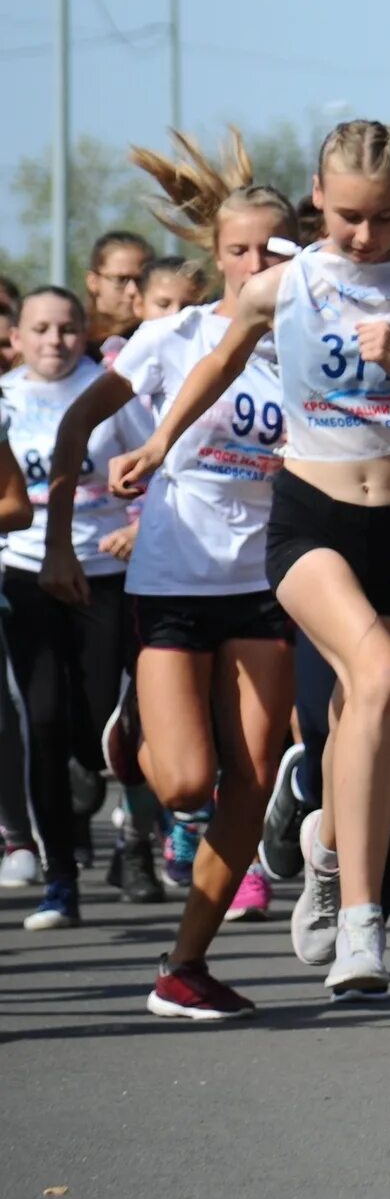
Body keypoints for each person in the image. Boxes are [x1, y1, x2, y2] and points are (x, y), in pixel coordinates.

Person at [110, 120, 390, 1004]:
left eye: (384, 218)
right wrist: (160, 443)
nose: (366, 237)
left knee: (372, 707)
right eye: (350, 219)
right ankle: (363, 924)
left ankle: (328, 852)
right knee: (370, 676)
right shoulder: (285, 287)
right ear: (318, 200)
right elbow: (214, 366)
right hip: (312, 516)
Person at [32, 134, 294, 1011]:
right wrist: (63, 542)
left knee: (252, 777)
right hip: (175, 577)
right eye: (240, 250)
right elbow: (75, 428)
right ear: (218, 257)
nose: (258, 264)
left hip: (264, 581)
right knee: (185, 781)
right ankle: (134, 727)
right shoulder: (171, 336)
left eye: (273, 248)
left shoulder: (309, 346)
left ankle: (185, 963)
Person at [6, 286, 155, 930]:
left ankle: (91, 776)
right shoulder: (6, 397)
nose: (54, 341)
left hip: (103, 568)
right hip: (23, 570)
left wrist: (140, 526)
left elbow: (157, 463)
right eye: (40, 328)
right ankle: (59, 880)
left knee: (97, 722)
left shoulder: (109, 388)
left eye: (68, 329)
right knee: (40, 721)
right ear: (16, 336)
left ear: (84, 331)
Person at [85, 230, 152, 354]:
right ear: (93, 281)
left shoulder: (158, 337)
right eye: (121, 280)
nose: (133, 291)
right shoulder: (74, 342)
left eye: (141, 280)